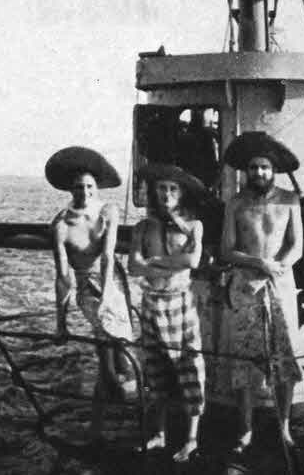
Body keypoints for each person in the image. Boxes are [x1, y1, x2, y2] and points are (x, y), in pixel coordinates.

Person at [219, 131, 304, 452]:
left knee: (286, 358)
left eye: (265, 168)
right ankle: (245, 428)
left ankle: (284, 426)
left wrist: (278, 266)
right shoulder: (236, 203)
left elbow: (297, 246)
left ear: (274, 171)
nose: (259, 173)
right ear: (246, 171)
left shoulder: (289, 200)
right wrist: (258, 263)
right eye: (254, 168)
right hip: (246, 288)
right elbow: (227, 250)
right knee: (244, 361)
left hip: (281, 287)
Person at [45, 146, 132, 440]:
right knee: (108, 359)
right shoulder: (60, 226)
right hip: (87, 289)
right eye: (79, 187)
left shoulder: (108, 212)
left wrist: (109, 294)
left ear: (96, 188)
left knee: (122, 352)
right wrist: (61, 322)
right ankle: (101, 424)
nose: (84, 192)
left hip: (113, 285)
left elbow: (108, 255)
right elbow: (62, 277)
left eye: (90, 186)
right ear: (70, 189)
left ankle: (110, 416)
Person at [128, 163, 206, 463]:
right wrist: (168, 262)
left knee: (190, 368)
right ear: (154, 191)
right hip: (152, 303)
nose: (166, 194)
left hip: (180, 302)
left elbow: (193, 259)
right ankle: (158, 433)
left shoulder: (193, 225)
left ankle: (191, 439)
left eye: (173, 189)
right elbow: (134, 265)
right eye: (162, 188)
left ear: (182, 193)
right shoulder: (143, 227)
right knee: (155, 369)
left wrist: (155, 261)